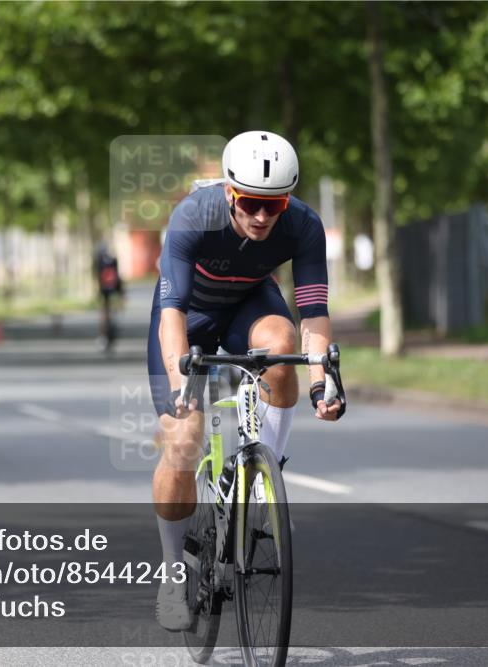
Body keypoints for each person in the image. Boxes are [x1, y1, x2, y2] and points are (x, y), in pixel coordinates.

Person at [147, 131, 344, 631]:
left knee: (282, 347)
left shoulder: (303, 225)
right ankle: (173, 576)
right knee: (183, 439)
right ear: (231, 194)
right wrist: (179, 384)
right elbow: (171, 311)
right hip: (187, 317)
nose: (261, 217)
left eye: (272, 205)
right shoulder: (193, 215)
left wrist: (323, 382)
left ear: (288, 199)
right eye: (251, 203)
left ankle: (263, 478)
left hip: (249, 306)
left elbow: (314, 313)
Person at [94, 242, 123, 350]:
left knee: (103, 313)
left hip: (104, 290)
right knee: (111, 310)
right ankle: (111, 329)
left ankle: (103, 335)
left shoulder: (99, 261)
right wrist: (120, 291)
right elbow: (117, 276)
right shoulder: (114, 260)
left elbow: (98, 277)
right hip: (113, 289)